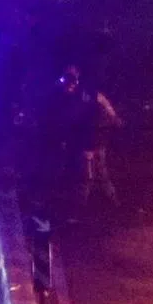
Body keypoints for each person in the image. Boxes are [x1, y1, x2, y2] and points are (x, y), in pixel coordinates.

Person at [55, 66, 123, 215]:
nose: (70, 84)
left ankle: (87, 203)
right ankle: (88, 202)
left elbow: (101, 101)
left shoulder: (84, 95)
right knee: (85, 173)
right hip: (83, 140)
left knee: (91, 174)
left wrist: (113, 116)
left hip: (92, 138)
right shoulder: (67, 97)